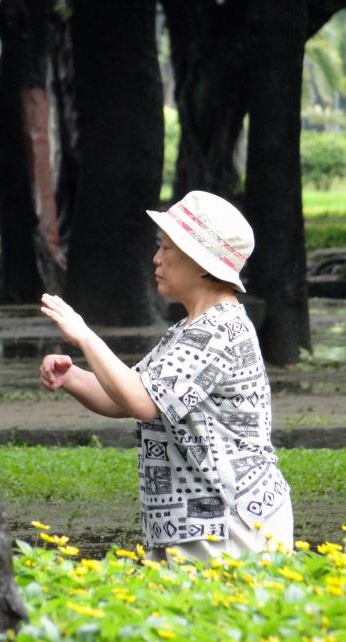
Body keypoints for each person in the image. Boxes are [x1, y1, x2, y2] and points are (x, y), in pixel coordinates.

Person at [39, 190, 293, 562]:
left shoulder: (218, 330)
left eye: (167, 249)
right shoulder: (190, 329)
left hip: (230, 524)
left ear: (200, 261)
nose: (156, 259)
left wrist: (83, 335)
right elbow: (129, 394)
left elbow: (140, 401)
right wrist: (72, 377)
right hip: (198, 525)